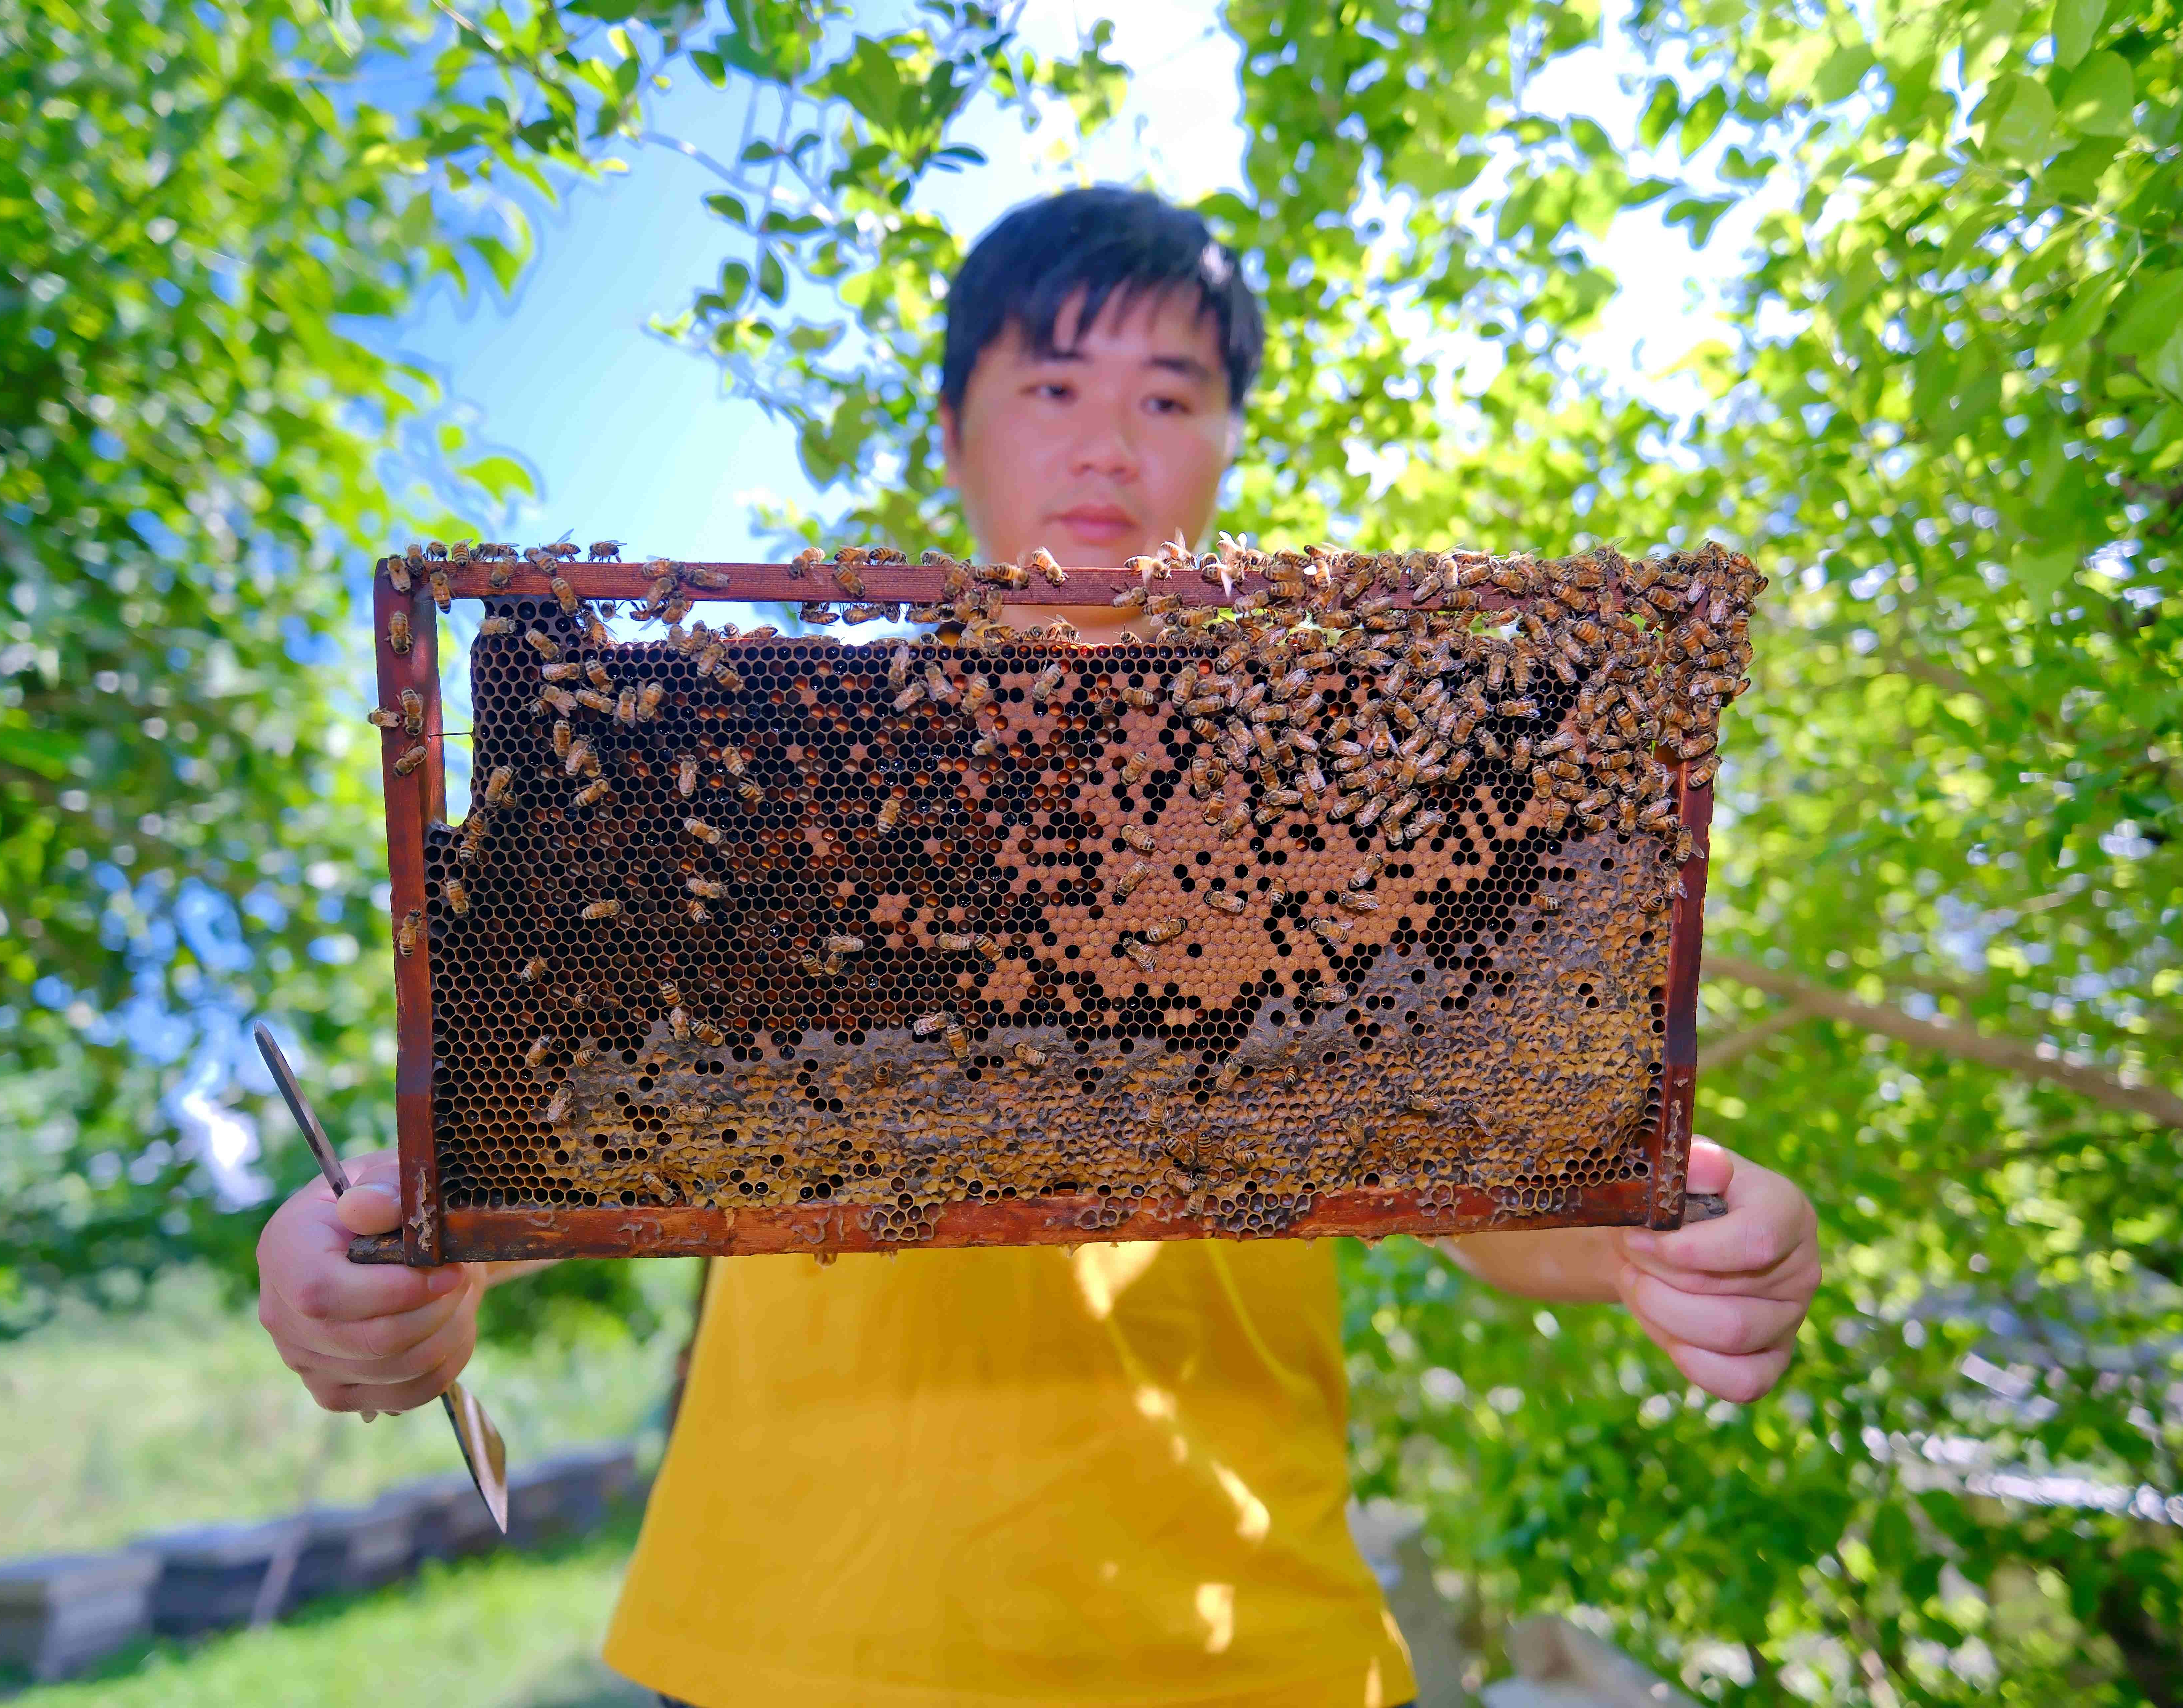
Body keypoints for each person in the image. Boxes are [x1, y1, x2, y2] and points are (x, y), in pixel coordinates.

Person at [255, 186, 1821, 1708]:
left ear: (1227, 439)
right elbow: (577, 1124)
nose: (1107, 444)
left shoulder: (1350, 812)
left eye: (1168, 396)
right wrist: (389, 1259)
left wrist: (1655, 1236)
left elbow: (1498, 1170)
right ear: (955, 430)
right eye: (1055, 384)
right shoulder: (774, 786)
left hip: (1251, 1661)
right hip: (788, 1645)